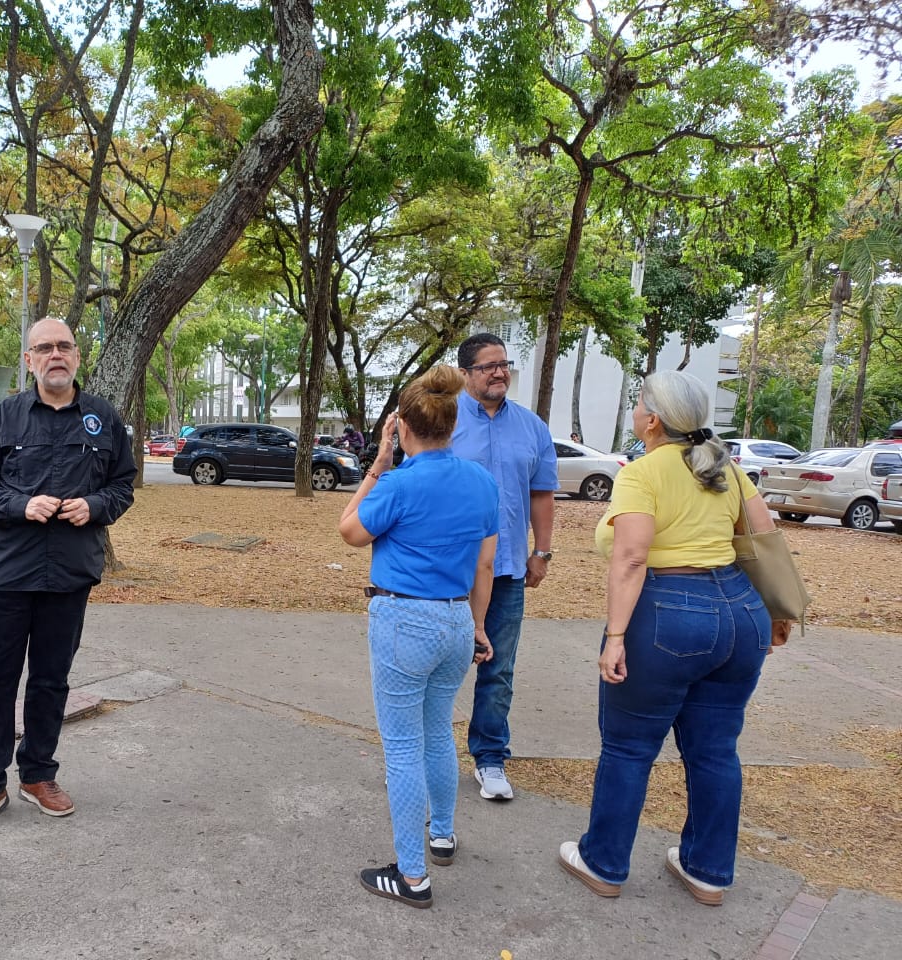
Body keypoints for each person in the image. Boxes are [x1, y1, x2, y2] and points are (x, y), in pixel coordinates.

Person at [558, 371, 792, 904]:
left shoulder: (643, 472)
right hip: (740, 614)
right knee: (715, 751)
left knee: (628, 746)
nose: (636, 413)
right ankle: (708, 871)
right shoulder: (725, 469)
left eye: (639, 405)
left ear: (653, 419)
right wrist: (777, 609)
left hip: (668, 613)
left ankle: (604, 862)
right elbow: (765, 538)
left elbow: (632, 555)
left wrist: (615, 636)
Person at [0, 317, 136, 840]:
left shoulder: (102, 418)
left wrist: (95, 505)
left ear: (77, 356)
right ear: (29, 360)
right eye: (43, 348)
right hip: (7, 574)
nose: (55, 355)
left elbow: (124, 484)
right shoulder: (4, 416)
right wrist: (20, 504)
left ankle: (38, 774)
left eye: (64, 346)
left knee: (52, 681)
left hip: (69, 576)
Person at [339, 366, 499, 908]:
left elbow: (351, 531)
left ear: (402, 426)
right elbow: (485, 564)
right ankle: (443, 835)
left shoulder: (401, 482)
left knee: (403, 746)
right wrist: (478, 625)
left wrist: (379, 464)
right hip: (456, 620)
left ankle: (411, 875)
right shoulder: (481, 481)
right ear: (452, 424)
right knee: (437, 732)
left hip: (404, 621)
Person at [450, 333, 557, 801]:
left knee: (499, 668)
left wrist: (543, 550)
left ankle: (490, 759)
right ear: (465, 374)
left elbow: (542, 493)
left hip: (509, 570)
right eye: (488, 366)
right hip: (449, 569)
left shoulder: (532, 427)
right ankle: (419, 757)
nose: (499, 372)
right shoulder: (442, 420)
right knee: (439, 665)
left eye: (504, 364)